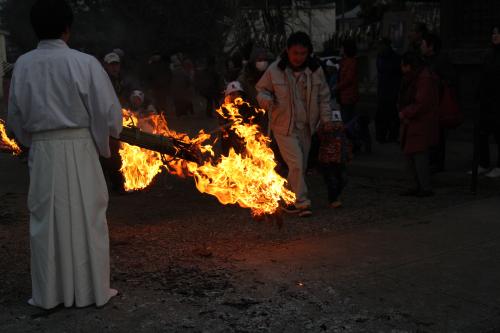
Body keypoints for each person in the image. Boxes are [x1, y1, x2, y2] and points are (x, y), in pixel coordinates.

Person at [7, 0, 122, 309]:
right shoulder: (84, 63)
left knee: (47, 219)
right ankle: (91, 290)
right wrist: (103, 145)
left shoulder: (24, 65)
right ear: (67, 28)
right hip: (80, 147)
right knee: (87, 215)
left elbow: (15, 115)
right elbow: (107, 112)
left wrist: (30, 142)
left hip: (44, 150)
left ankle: (50, 292)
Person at [256, 31, 333, 217]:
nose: (298, 57)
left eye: (302, 53)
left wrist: (327, 120)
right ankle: (302, 203)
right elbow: (261, 91)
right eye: (295, 53)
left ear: (308, 53)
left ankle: (288, 199)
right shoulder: (275, 70)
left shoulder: (315, 71)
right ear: (287, 51)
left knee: (300, 166)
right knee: (296, 163)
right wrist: (266, 100)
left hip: (306, 127)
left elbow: (324, 98)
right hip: (283, 127)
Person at [398, 52, 440, 197]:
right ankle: (416, 185)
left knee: (418, 154)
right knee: (411, 153)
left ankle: (423, 186)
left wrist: (406, 113)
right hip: (415, 119)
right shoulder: (417, 76)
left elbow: (421, 103)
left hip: (420, 120)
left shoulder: (423, 78)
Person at [421, 32, 456, 173]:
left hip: (437, 102)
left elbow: (450, 80)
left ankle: (437, 162)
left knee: (438, 135)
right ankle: (430, 161)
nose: (421, 47)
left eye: (424, 44)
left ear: (431, 46)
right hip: (428, 102)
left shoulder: (441, 60)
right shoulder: (425, 60)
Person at [336, 39, 371, 153]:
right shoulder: (345, 61)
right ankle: (353, 145)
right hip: (344, 97)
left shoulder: (351, 62)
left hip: (348, 97)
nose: (340, 49)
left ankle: (354, 145)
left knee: (349, 123)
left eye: (342, 47)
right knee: (348, 122)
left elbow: (348, 79)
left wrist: (337, 87)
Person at [477, 25, 500, 178]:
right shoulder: (488, 54)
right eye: (493, 33)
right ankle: (483, 163)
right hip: (487, 99)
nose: (495, 36)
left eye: (498, 33)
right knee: (482, 132)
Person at [102, 52, 126, 194]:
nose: (114, 67)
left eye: (116, 64)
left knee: (113, 152)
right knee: (110, 153)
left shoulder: (120, 80)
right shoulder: (104, 80)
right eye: (111, 65)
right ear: (106, 66)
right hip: (107, 120)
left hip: (118, 118)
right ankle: (117, 185)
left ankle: (116, 184)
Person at [317, 110, 352, 209]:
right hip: (328, 161)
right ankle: (333, 199)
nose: (336, 125)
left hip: (340, 160)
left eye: (338, 123)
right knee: (331, 181)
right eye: (334, 123)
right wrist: (325, 126)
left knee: (343, 179)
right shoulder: (326, 133)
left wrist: (348, 155)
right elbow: (320, 134)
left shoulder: (343, 134)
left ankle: (335, 195)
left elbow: (346, 145)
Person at [375, 38, 401, 143]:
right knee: (389, 114)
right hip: (388, 89)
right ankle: (389, 135)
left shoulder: (387, 57)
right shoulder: (392, 57)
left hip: (387, 89)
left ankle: (384, 136)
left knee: (385, 114)